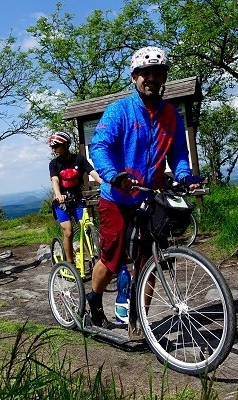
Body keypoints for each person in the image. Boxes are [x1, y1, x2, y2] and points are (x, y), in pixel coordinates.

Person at [88, 46, 201, 329]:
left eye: (158, 73)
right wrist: (114, 175)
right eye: (145, 73)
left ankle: (140, 321)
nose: (151, 78)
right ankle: (94, 300)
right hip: (116, 196)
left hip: (150, 197)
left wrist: (185, 176)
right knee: (112, 260)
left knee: (150, 258)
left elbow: (178, 154)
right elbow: (99, 146)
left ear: (163, 78)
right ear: (134, 77)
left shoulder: (171, 114)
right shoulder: (119, 111)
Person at [48, 131, 102, 263]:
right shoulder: (54, 164)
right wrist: (58, 195)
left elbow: (92, 172)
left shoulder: (79, 159)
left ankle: (92, 261)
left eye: (57, 146)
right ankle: (70, 264)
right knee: (68, 232)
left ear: (66, 144)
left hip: (76, 200)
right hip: (62, 203)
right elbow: (55, 180)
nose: (54, 150)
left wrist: (105, 184)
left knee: (84, 228)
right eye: (52, 147)